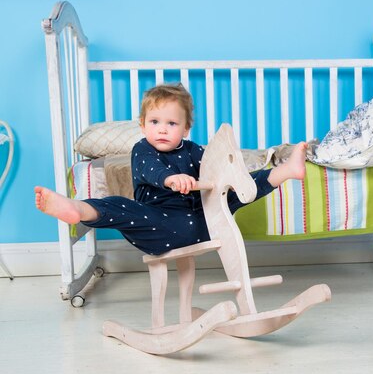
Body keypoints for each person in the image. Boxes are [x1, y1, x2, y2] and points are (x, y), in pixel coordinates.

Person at [35, 83, 306, 255]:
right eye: (154, 121)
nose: (162, 128)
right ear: (143, 126)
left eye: (171, 124)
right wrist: (171, 179)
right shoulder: (142, 149)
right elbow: (151, 170)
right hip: (160, 224)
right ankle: (78, 209)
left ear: (185, 128)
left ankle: (287, 170)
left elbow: (213, 169)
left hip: (205, 222)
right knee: (117, 203)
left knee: (237, 187)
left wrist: (228, 175)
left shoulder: (192, 149)